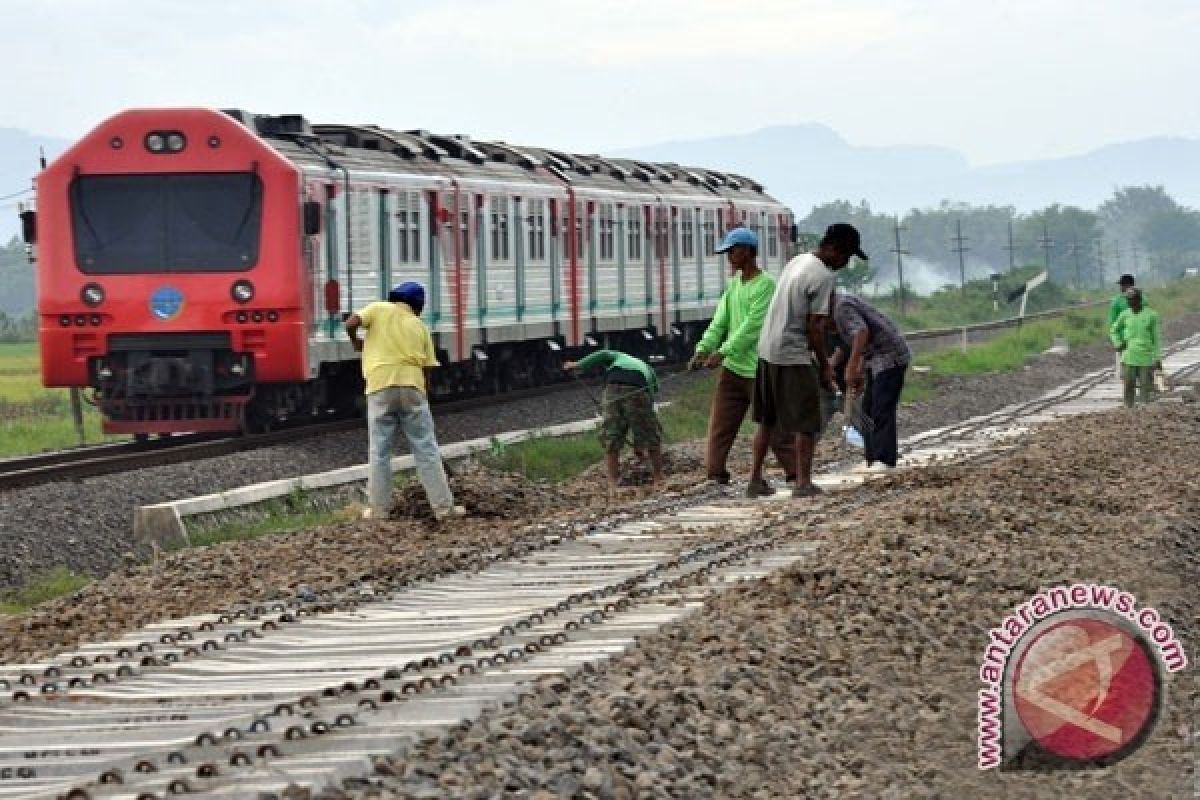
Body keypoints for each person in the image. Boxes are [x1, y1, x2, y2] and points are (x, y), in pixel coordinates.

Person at [747, 223, 865, 498]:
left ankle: (755, 481)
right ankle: (803, 483)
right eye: (846, 256)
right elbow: (815, 328)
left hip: (767, 347)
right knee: (806, 421)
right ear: (834, 249)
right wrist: (825, 366)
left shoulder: (798, 261)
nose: (845, 264)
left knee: (767, 419)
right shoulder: (823, 277)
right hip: (792, 353)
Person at [345, 282, 465, 521]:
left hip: (380, 384)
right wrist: (423, 398)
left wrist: (356, 342)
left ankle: (379, 511)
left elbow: (350, 323)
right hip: (412, 385)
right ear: (417, 306)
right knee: (425, 447)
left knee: (379, 450)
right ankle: (444, 509)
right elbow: (427, 370)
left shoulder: (378, 309)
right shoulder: (419, 326)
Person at [689, 226, 796, 486]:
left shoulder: (766, 285)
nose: (729, 257)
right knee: (720, 425)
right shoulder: (734, 285)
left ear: (748, 252)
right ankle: (715, 474)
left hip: (759, 369)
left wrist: (723, 351)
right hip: (734, 368)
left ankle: (795, 472)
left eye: (733, 251)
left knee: (775, 428)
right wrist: (703, 348)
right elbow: (720, 321)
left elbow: (753, 326)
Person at [831, 291, 912, 469]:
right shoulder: (836, 307)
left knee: (881, 407)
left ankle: (884, 460)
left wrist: (851, 367)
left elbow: (861, 332)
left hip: (890, 356)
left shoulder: (841, 307)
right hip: (874, 358)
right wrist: (859, 368)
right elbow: (853, 342)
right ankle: (873, 458)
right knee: (867, 409)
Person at [563, 349, 664, 492]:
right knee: (650, 433)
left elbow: (602, 354)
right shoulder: (649, 370)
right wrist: (639, 444)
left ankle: (612, 484)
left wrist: (578, 365)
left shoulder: (619, 358)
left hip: (612, 385)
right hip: (637, 384)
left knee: (612, 435)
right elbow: (647, 410)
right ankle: (658, 479)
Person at [1110, 288, 1163, 408]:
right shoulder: (1125, 315)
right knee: (1129, 385)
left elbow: (1156, 339)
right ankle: (1128, 408)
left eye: (1132, 299)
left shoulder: (1151, 315)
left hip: (1145, 357)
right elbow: (1114, 330)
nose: (1130, 302)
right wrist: (1118, 343)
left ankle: (1144, 409)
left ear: (1139, 299)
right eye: (1128, 300)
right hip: (1129, 356)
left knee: (1145, 385)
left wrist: (1157, 358)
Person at [1108, 274, 1136, 378]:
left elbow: (1112, 324)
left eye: (1121, 285)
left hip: (1124, 340)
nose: (1120, 287)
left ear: (1127, 285)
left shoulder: (1117, 301)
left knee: (1125, 371)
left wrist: (1117, 342)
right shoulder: (1143, 299)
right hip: (1134, 340)